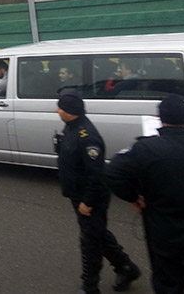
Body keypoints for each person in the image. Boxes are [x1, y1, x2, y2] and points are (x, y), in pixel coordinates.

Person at [105, 94, 184, 294]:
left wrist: (133, 197)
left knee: (168, 285)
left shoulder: (144, 148)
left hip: (164, 232)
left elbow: (113, 173)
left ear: (160, 119)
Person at [54, 92, 141, 294]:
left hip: (89, 198)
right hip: (77, 194)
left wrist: (88, 201)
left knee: (90, 242)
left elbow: (97, 175)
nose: (57, 111)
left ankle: (89, 286)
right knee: (97, 234)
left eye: (61, 108)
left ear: (71, 112)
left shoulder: (87, 137)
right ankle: (127, 268)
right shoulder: (72, 127)